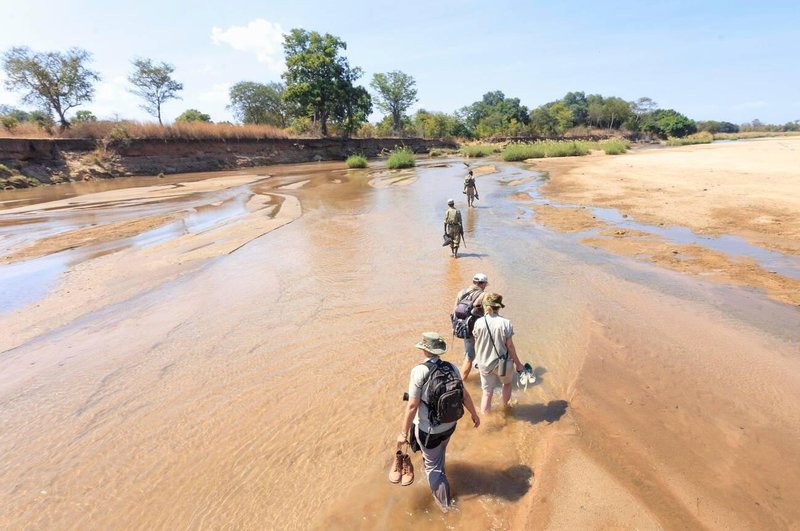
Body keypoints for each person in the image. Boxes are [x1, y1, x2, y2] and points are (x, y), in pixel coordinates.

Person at [397, 332, 480, 512]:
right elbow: (464, 395)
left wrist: (403, 434)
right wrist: (474, 414)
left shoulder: (419, 371)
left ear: (424, 350)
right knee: (440, 453)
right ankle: (440, 473)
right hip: (450, 425)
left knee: (433, 469)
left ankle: (446, 508)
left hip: (429, 431)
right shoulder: (452, 367)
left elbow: (412, 405)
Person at [472, 293, 525, 413]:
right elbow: (510, 346)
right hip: (503, 363)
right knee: (506, 384)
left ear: (486, 306)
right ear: (499, 306)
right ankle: (505, 408)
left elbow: (477, 344)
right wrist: (519, 364)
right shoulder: (506, 323)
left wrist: (477, 360)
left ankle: (485, 422)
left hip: (484, 364)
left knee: (487, 393)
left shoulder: (478, 322)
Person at [454, 273, 489, 381]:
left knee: (470, 353)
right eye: (485, 284)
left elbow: (454, 310)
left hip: (463, 327)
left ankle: (479, 371)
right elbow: (488, 314)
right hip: (477, 330)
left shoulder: (462, 292)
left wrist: (455, 327)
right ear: (483, 284)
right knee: (471, 356)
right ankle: (460, 382)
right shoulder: (484, 295)